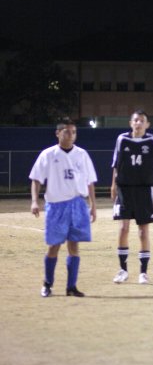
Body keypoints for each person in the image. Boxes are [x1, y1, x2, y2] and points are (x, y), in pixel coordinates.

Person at [30, 117, 97, 298]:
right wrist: (35, 201)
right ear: (58, 133)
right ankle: (47, 283)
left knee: (74, 247)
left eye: (74, 132)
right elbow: (36, 180)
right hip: (56, 206)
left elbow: (90, 182)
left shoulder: (81, 154)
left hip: (77, 204)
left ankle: (71, 286)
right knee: (54, 247)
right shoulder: (48, 154)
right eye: (67, 131)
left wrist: (93, 205)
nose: (71, 135)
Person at [111, 109, 153, 284]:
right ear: (131, 123)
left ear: (147, 124)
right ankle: (123, 270)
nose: (138, 123)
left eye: (142, 120)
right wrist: (113, 185)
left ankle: (143, 273)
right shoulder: (122, 139)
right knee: (123, 228)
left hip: (144, 190)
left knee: (143, 232)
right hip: (124, 189)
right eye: (135, 120)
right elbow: (116, 164)